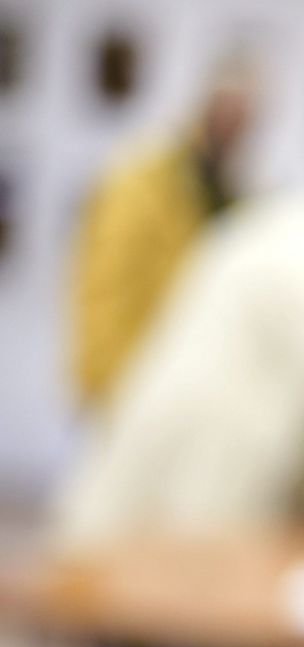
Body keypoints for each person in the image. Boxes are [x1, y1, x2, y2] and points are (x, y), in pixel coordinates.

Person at [53, 190, 304, 550]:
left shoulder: (274, 229)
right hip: (223, 430)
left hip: (176, 396)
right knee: (193, 552)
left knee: (121, 535)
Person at [68, 54, 256, 410]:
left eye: (245, 115)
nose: (235, 124)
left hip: (186, 389)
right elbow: (104, 288)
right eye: (229, 107)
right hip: (129, 387)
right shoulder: (142, 181)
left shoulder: (230, 196)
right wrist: (106, 386)